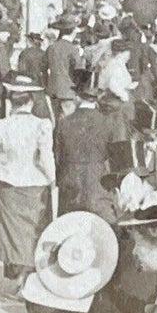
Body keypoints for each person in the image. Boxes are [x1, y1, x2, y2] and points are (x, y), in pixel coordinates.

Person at [0, 74, 56, 289]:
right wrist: (52, 179)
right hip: (35, 185)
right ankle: (27, 278)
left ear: (11, 102)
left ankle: (17, 277)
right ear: (31, 101)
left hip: (9, 184)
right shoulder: (42, 124)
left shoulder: (1, 125)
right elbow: (45, 157)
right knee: (33, 232)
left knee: (13, 235)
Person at [53, 76, 115, 217]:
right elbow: (114, 160)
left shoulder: (64, 123)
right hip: (99, 186)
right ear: (97, 97)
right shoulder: (109, 122)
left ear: (77, 97)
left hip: (70, 187)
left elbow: (57, 158)